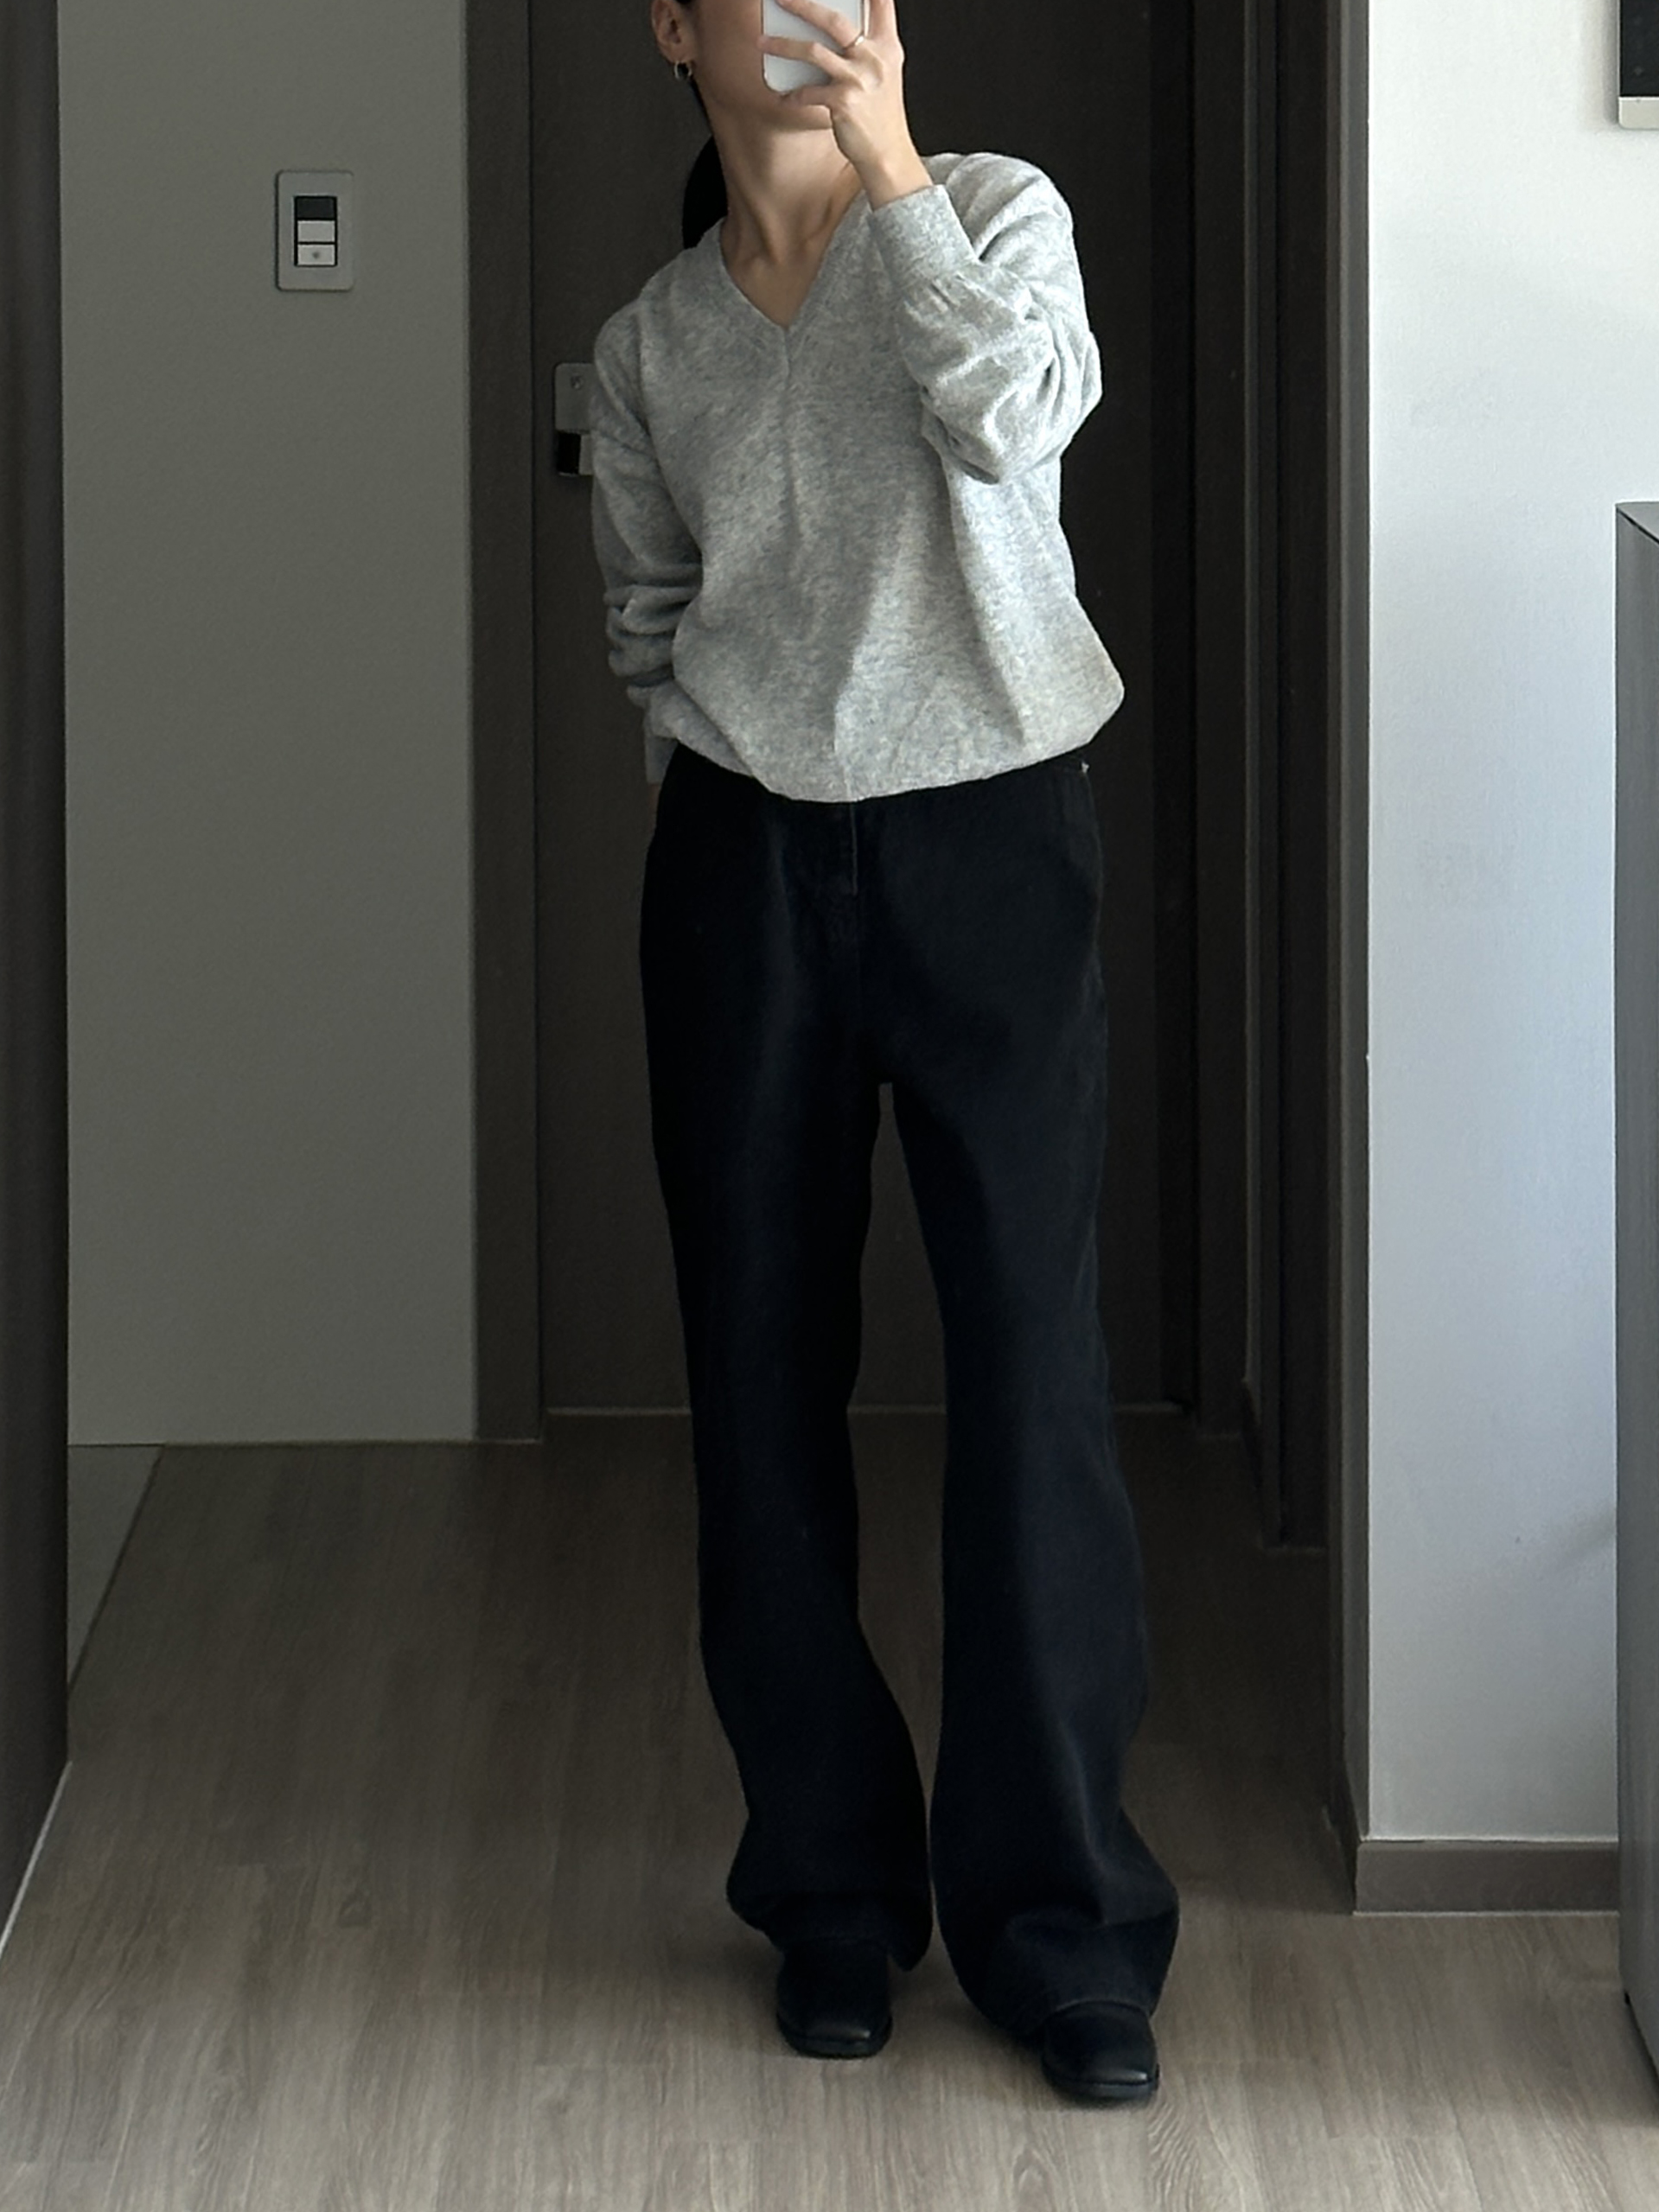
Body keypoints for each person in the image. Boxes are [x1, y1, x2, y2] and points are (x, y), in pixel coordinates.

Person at [585, 0, 1181, 2107]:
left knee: (1030, 1370)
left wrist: (899, 171)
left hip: (992, 837)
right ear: (677, 28)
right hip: (746, 863)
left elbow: (1018, 418)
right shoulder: (650, 343)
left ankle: (1062, 1925)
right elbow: (649, 619)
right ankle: (830, 1887)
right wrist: (715, 806)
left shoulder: (994, 211)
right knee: (757, 1383)